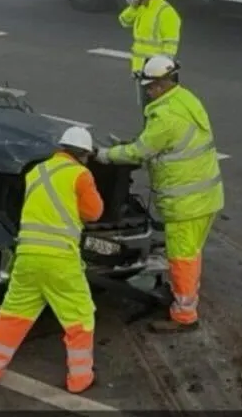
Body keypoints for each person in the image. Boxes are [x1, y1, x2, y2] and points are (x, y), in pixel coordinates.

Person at [95, 55, 224, 334]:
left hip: (185, 203)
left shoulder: (164, 116)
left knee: (181, 258)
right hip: (207, 196)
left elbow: (139, 152)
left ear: (162, 85)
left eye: (150, 87)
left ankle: (184, 315)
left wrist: (105, 155)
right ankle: (183, 296)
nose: (148, 91)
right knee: (191, 252)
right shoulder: (186, 99)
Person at [0, 126, 103, 394]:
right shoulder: (80, 174)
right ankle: (80, 379)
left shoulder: (36, 172)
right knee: (80, 317)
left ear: (61, 148)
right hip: (60, 261)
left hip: (27, 257)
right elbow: (94, 212)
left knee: (13, 315)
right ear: (84, 155)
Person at [118, 0, 181, 108]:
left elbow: (170, 47)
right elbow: (123, 20)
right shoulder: (141, 8)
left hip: (157, 71)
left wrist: (163, 72)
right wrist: (133, 7)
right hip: (140, 69)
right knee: (146, 109)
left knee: (160, 109)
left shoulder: (167, 12)